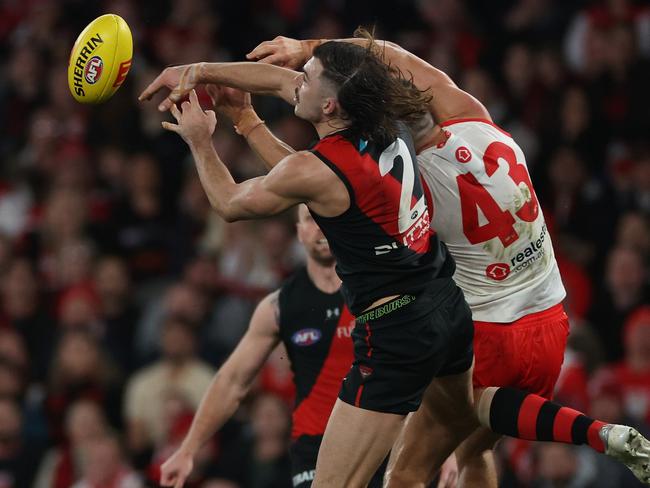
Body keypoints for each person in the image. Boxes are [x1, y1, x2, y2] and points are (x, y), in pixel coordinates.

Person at [241, 33, 650, 486]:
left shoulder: (399, 181)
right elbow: (392, 53)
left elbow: (309, 186)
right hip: (552, 323)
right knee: (475, 451)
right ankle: (599, 432)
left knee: (407, 474)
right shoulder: (479, 120)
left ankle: (595, 432)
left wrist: (243, 113)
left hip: (489, 334)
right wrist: (308, 47)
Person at [140, 41, 477, 487]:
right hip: (447, 307)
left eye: (308, 77)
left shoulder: (316, 168)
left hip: (397, 334)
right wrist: (197, 71)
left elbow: (230, 202)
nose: (296, 80)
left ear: (330, 104)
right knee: (460, 452)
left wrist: (201, 141)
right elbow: (311, 170)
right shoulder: (385, 121)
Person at [160, 205, 389, 487]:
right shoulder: (280, 306)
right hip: (313, 449)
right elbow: (232, 381)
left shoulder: (379, 292)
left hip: (380, 439)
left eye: (327, 220)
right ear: (299, 233)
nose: (320, 228)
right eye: (310, 221)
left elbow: (422, 363)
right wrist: (188, 448)